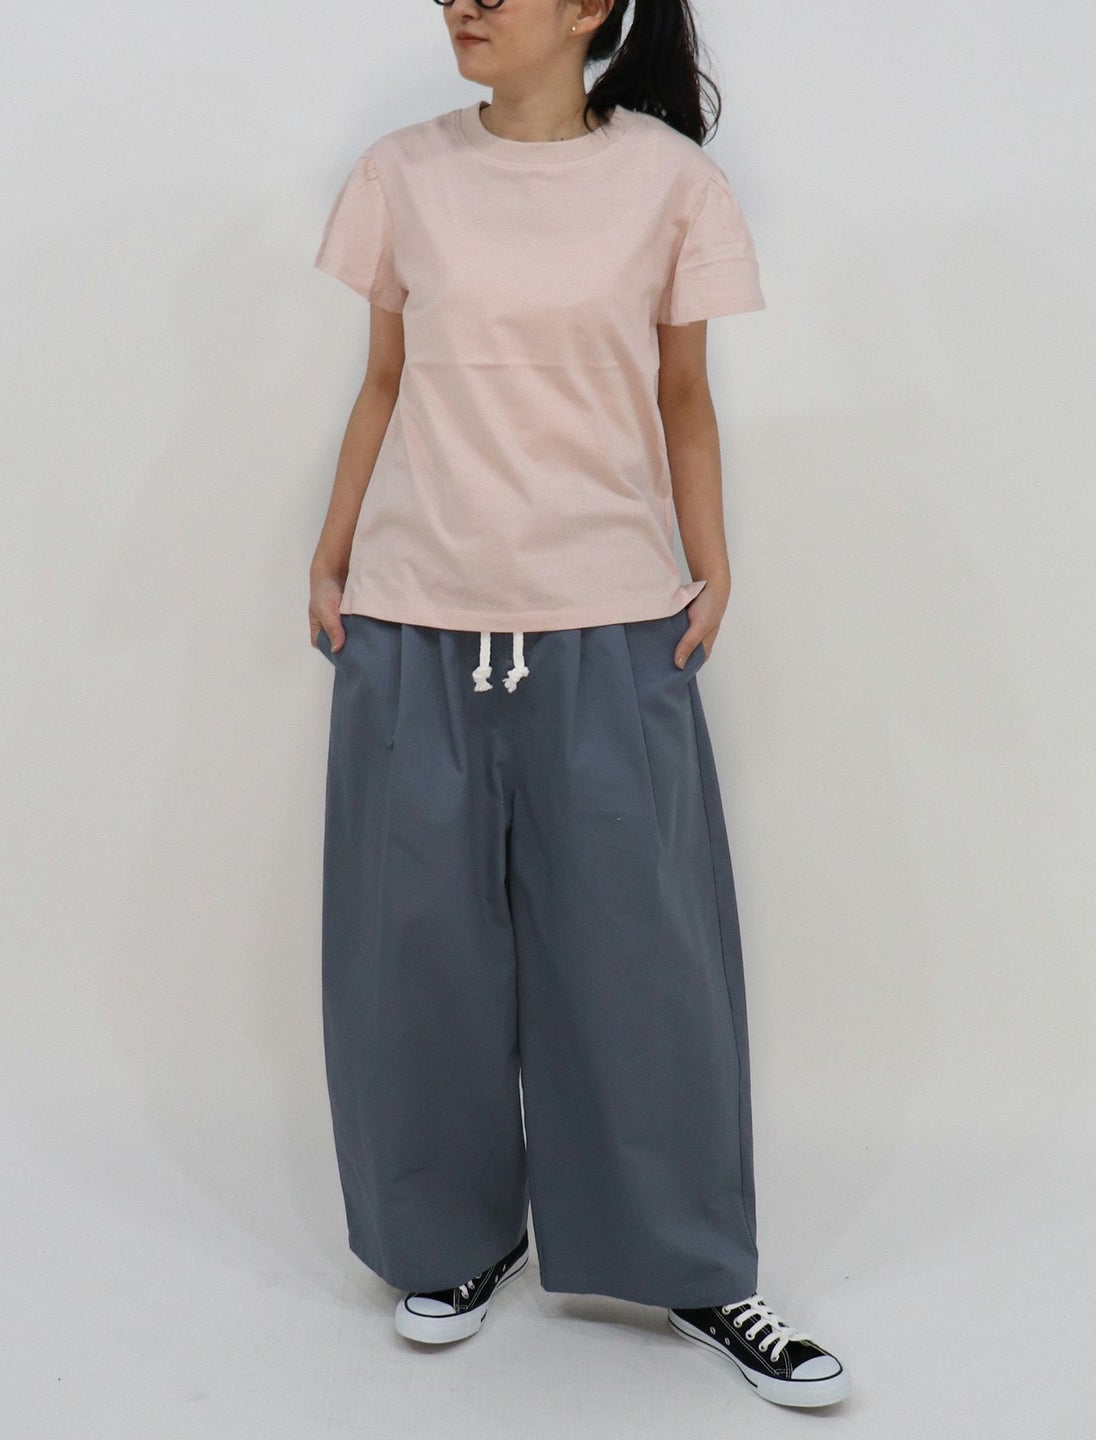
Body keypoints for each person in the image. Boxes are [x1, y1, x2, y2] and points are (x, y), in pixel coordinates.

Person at [307, 0, 851, 1411]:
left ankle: (693, 1268)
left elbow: (684, 395)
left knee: (645, 961)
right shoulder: (401, 173)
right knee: (414, 955)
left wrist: (710, 562)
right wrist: (332, 552)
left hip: (613, 620)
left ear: (593, 6)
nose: (468, 3)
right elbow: (384, 383)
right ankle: (451, 1240)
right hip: (414, 617)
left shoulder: (669, 183)